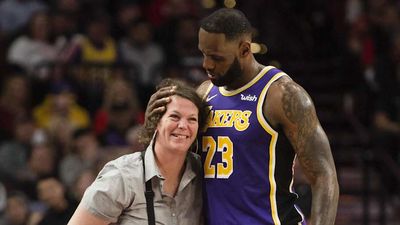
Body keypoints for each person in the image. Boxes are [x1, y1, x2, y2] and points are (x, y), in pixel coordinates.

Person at [145, 8, 339, 225]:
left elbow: (324, 175)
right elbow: (174, 163)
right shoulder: (203, 93)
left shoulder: (281, 95)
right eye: (203, 53)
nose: (206, 64)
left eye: (216, 57)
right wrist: (157, 127)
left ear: (245, 49)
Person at [67, 78, 208, 225]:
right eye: (175, 116)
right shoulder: (122, 176)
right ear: (156, 121)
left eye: (192, 119)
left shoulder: (204, 172)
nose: (183, 125)